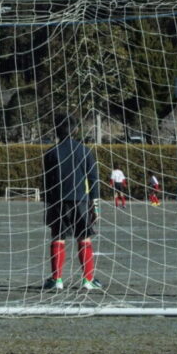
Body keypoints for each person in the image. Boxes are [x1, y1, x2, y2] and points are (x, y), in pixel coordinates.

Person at [41, 113, 101, 291]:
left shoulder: (50, 153)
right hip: (81, 201)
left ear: (56, 130)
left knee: (58, 238)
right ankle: (87, 280)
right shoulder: (85, 150)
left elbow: (46, 183)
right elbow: (93, 179)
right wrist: (95, 207)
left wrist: (49, 205)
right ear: (75, 130)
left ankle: (57, 280)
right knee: (84, 238)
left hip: (58, 201)